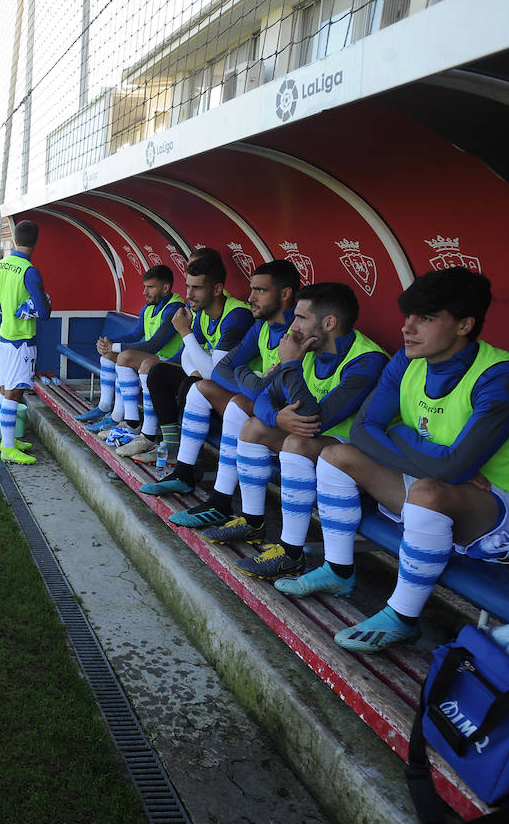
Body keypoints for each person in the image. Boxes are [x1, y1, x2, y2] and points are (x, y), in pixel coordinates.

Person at [278, 267, 509, 653]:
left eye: (425, 318)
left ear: (464, 325)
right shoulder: (407, 360)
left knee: (428, 492)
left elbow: (451, 469)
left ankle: (404, 617)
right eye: (407, 316)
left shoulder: (506, 375)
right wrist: (431, 456)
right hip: (441, 486)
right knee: (337, 454)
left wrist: (403, 438)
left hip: (508, 503)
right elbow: (363, 432)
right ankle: (339, 570)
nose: (408, 328)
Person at [199, 283, 387, 579]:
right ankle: (252, 521)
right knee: (254, 426)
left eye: (300, 317)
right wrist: (276, 417)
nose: (292, 324)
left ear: (329, 323)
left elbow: (316, 420)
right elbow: (262, 396)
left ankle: (291, 553)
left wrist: (290, 365)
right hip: (315, 443)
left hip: (352, 455)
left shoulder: (367, 360)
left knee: (296, 443)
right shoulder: (308, 347)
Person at [144, 261, 300, 531]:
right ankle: (184, 471)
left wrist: (255, 386)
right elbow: (220, 371)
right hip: (262, 404)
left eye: (260, 290)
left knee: (236, 404)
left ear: (285, 294)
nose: (250, 297)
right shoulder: (261, 326)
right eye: (251, 289)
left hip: (287, 421)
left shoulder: (294, 333)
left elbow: (223, 370)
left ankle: (222, 502)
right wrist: (258, 383)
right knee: (198, 387)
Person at [133, 248, 252, 464]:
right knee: (158, 372)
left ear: (217, 289)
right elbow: (189, 354)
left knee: (190, 385)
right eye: (188, 286)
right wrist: (195, 370)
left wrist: (184, 332)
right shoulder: (203, 313)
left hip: (237, 391)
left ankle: (190, 462)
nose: (188, 295)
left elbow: (217, 372)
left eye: (196, 288)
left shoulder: (237, 315)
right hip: (211, 381)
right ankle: (171, 447)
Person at [72, 265, 187, 460]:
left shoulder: (175, 308)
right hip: (155, 360)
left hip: (172, 364)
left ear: (166, 288)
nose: (145, 292)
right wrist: (110, 343)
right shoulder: (149, 307)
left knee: (125, 357)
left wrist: (116, 347)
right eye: (145, 287)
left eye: (150, 287)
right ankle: (113, 413)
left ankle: (136, 426)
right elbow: (135, 334)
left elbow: (154, 344)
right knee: (109, 356)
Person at [0, 220, 48, 465]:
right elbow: (45, 311)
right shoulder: (30, 271)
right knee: (14, 391)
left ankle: (7, 441)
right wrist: (33, 306)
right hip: (22, 341)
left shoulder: (0, 265)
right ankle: (8, 447)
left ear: (15, 240)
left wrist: (2, 321)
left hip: (5, 338)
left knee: (7, 387)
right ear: (36, 242)